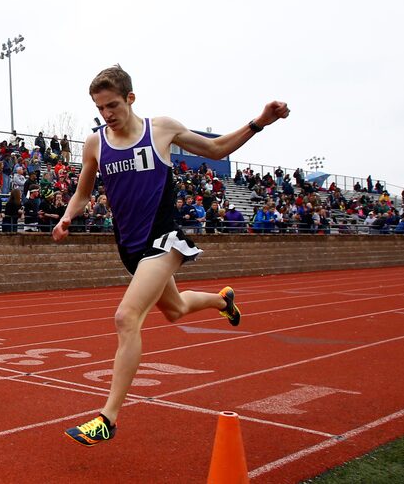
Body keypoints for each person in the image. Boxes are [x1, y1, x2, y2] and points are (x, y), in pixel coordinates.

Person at [54, 65, 288, 446]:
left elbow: (215, 150)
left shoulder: (160, 129)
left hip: (164, 239)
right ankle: (222, 300)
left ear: (131, 98)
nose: (107, 114)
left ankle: (107, 418)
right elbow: (83, 192)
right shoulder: (96, 143)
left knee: (126, 317)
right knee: (176, 309)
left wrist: (259, 121)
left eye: (113, 105)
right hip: (129, 247)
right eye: (100, 108)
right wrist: (66, 217)